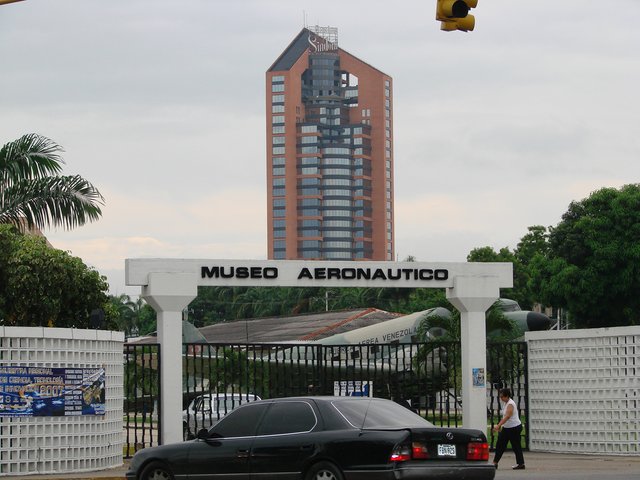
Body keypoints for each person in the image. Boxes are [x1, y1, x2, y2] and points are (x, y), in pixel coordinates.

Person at [492, 388, 525, 470]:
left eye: (502, 396)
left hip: (514, 428)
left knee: (516, 446)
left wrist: (498, 425)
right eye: (500, 396)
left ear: (507, 396)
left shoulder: (510, 404)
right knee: (500, 445)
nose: (501, 398)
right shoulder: (506, 403)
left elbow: (507, 416)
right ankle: (495, 463)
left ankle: (521, 464)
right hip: (507, 428)